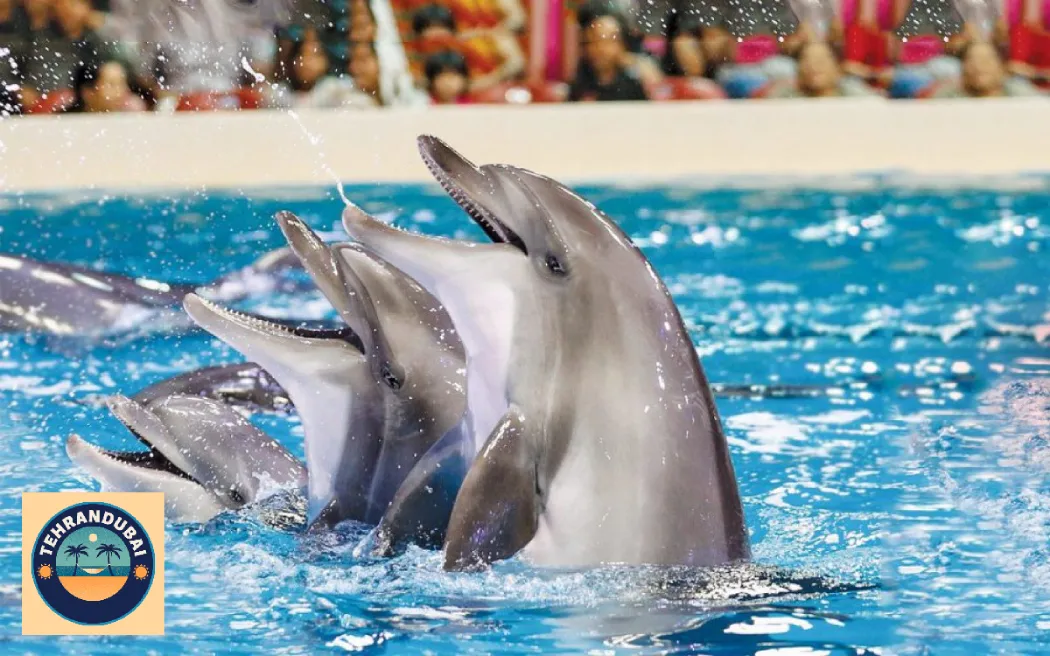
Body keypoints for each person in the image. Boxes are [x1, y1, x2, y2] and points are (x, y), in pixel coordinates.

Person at [569, 10, 648, 101]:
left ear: (622, 44)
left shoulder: (634, 80)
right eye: (593, 41)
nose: (600, 48)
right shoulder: (579, 83)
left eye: (607, 41)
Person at [932, 39, 1043, 96]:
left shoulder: (1021, 95)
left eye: (985, 61)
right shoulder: (948, 97)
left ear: (1001, 67)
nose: (978, 67)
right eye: (972, 61)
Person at [64, 58, 146, 113]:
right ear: (88, 92)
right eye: (112, 84)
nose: (124, 90)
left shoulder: (131, 117)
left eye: (124, 83)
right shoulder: (62, 121)